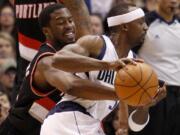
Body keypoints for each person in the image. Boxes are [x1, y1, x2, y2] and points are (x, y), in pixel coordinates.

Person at [0, 3, 140, 135]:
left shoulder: (77, 54)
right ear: (46, 31)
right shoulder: (46, 60)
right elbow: (70, 86)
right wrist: (122, 93)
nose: (69, 26)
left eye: (70, 20)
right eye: (61, 22)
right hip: (19, 129)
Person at [41, 3, 166, 135]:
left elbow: (134, 125)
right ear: (124, 26)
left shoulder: (134, 63)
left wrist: (145, 106)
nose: (146, 27)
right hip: (67, 121)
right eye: (141, 23)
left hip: (91, 124)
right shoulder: (96, 44)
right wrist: (108, 65)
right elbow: (57, 60)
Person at [131, 0, 180, 135]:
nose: (174, 1)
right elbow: (128, 54)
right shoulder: (145, 22)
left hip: (177, 94)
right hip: (153, 93)